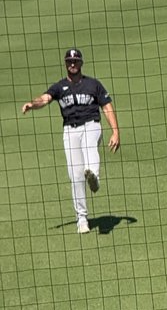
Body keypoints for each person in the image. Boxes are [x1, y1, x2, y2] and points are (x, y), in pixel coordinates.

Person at [21, 48, 120, 234]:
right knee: (75, 176)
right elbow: (45, 99)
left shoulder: (93, 84)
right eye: (69, 61)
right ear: (66, 63)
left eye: (75, 61)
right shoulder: (59, 87)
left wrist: (115, 131)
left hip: (91, 125)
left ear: (81, 63)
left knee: (91, 149)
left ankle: (94, 178)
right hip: (70, 130)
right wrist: (32, 105)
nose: (72, 64)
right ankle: (82, 219)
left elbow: (107, 107)